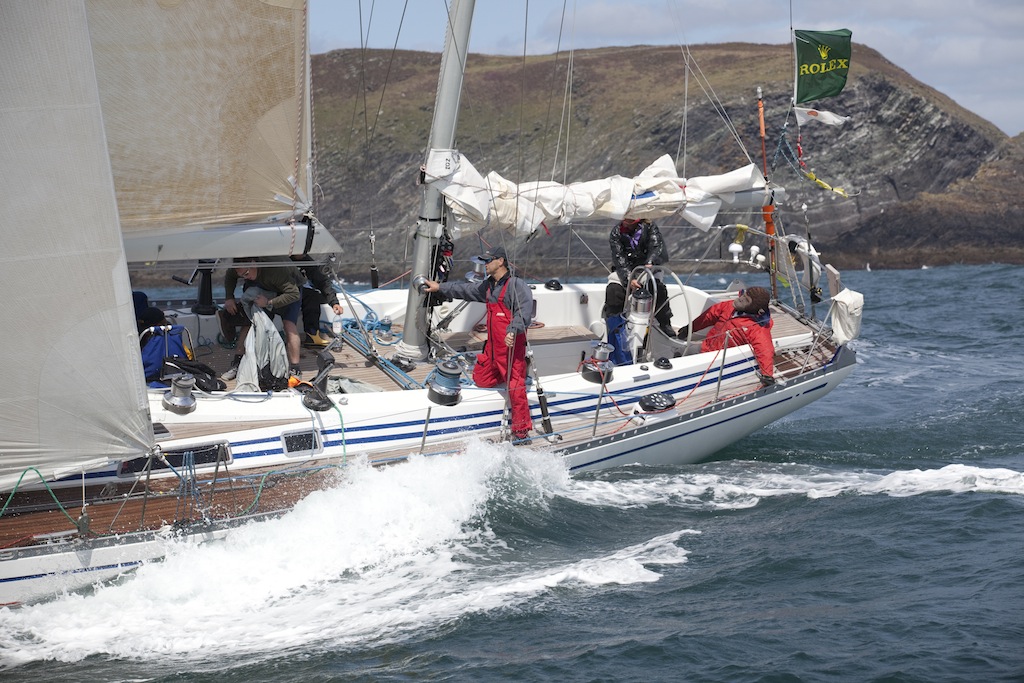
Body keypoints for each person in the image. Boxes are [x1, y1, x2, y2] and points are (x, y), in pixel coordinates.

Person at [422, 246, 534, 444]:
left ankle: (521, 431)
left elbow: (524, 311)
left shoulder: (517, 285)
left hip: (510, 346)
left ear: (500, 261)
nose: (485, 265)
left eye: (488, 261)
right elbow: (465, 289)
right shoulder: (488, 286)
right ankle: (502, 374)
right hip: (492, 347)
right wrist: (440, 288)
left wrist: (513, 330)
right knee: (482, 380)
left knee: (515, 387)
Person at [219, 256, 304, 379]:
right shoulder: (243, 269)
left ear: (253, 263)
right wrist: (229, 297)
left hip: (288, 290)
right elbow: (230, 276)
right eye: (242, 276)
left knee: (289, 324)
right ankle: (237, 363)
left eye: (247, 273)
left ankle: (295, 369)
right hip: (262, 286)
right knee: (249, 322)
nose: (245, 277)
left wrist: (269, 302)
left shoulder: (275, 270)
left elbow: (294, 294)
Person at [677, 286, 776, 382]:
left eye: (746, 300)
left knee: (687, 370)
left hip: (721, 360)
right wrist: (689, 328)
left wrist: (767, 375)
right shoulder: (729, 306)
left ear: (756, 309)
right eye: (743, 295)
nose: (741, 299)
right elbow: (709, 316)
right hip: (706, 347)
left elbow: (765, 350)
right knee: (678, 353)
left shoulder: (757, 327)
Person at [604, 217, 674, 338]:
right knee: (613, 291)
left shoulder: (650, 227)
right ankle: (614, 326)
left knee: (657, 288)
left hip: (648, 268)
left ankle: (664, 322)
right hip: (627, 270)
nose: (627, 220)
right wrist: (628, 278)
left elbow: (656, 245)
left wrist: (650, 262)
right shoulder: (616, 233)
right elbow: (618, 257)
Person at [289, 254, 344, 347]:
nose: (301, 254)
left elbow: (323, 282)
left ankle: (312, 335)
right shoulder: (281, 259)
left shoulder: (306, 261)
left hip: (299, 290)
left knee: (313, 296)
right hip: (281, 290)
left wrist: (334, 303)